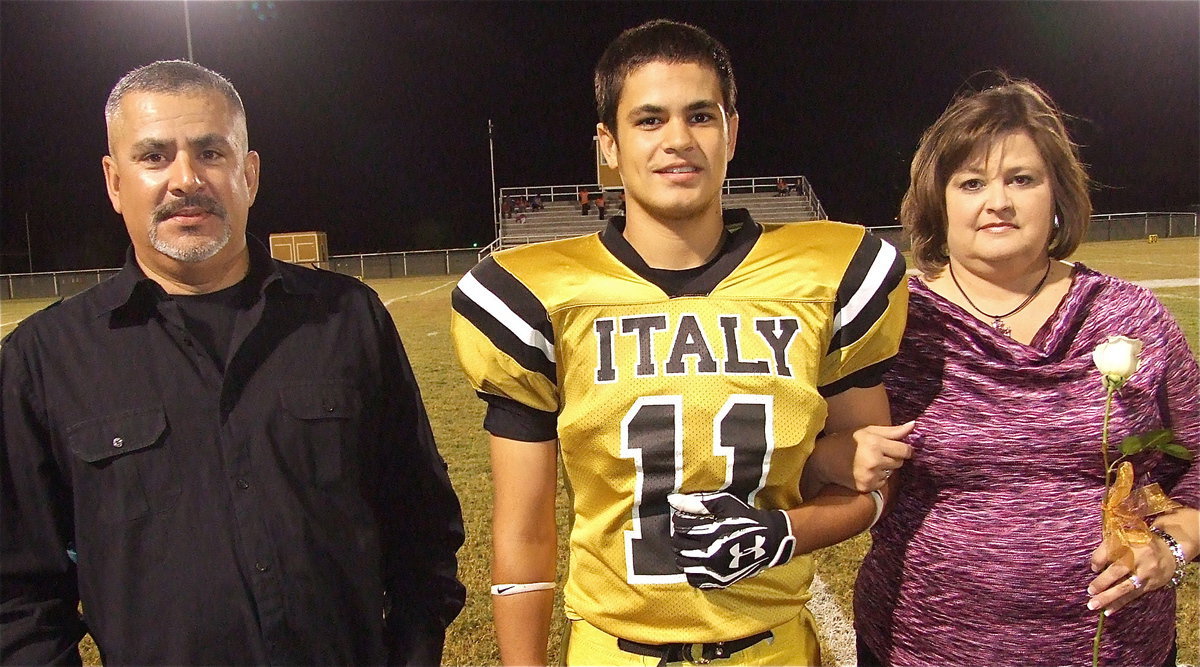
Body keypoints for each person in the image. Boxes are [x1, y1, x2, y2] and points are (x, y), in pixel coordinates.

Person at [451, 19, 912, 666]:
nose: (677, 140)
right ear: (607, 145)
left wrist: (782, 532)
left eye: (700, 115)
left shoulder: (828, 275)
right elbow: (524, 533)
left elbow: (871, 485)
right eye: (648, 119)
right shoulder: (538, 294)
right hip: (615, 652)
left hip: (773, 652)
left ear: (732, 131)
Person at [0, 60, 466, 665]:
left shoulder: (347, 319)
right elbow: (17, 591)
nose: (185, 178)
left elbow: (421, 525)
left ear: (249, 174)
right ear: (115, 183)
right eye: (153, 156)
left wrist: (411, 648)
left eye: (211, 153)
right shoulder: (44, 357)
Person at [852, 77, 1199, 666]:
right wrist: (846, 454)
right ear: (938, 200)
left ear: (1057, 194)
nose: (999, 201)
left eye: (1022, 179)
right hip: (919, 647)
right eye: (971, 182)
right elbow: (811, 462)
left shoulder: (1132, 317)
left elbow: (1193, 466)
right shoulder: (890, 325)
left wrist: (1171, 545)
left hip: (1114, 652)